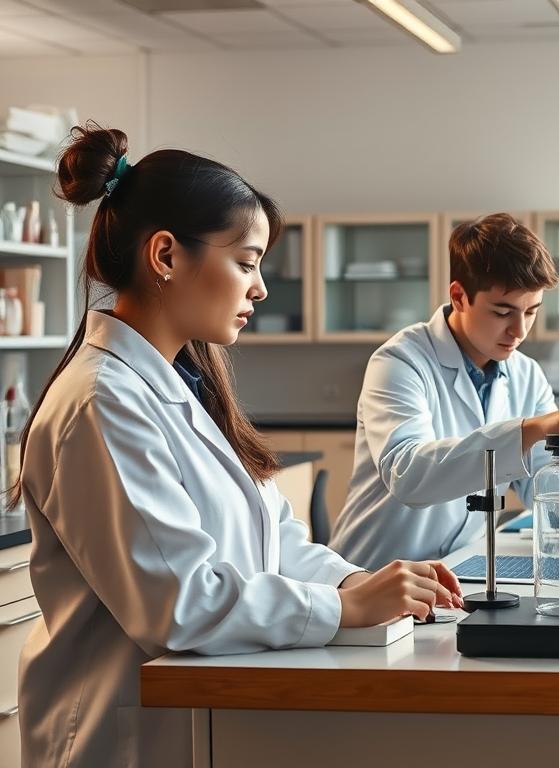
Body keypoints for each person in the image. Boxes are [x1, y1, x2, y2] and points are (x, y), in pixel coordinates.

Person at [15, 125, 463, 768]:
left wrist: (363, 582)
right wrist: (341, 606)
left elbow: (271, 538)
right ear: (165, 256)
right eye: (247, 262)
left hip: (202, 716)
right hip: (119, 736)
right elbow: (178, 604)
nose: (260, 289)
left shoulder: (182, 385)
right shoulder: (102, 402)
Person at [329, 213, 559, 569]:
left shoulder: (526, 374)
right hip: (375, 575)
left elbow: (538, 489)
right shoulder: (400, 361)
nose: (520, 330)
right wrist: (529, 429)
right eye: (502, 312)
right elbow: (409, 476)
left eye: (532, 312)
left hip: (462, 570)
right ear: (459, 296)